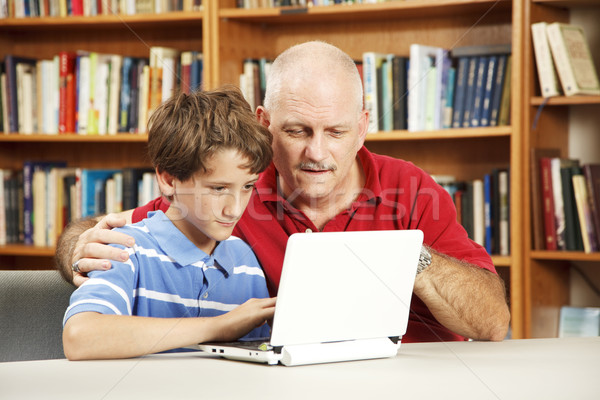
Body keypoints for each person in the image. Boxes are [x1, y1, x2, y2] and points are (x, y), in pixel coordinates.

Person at [57, 41, 510, 343]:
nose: (317, 152)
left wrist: (412, 255)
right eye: (297, 130)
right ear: (265, 123)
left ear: (362, 128)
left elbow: (493, 323)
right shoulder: (235, 187)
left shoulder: (410, 189)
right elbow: (132, 228)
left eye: (335, 132)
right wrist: (77, 248)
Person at [62, 86, 276, 360]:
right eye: (218, 188)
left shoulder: (246, 263)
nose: (235, 209)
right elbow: (80, 337)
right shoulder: (125, 249)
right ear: (168, 180)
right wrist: (218, 326)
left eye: (247, 186)